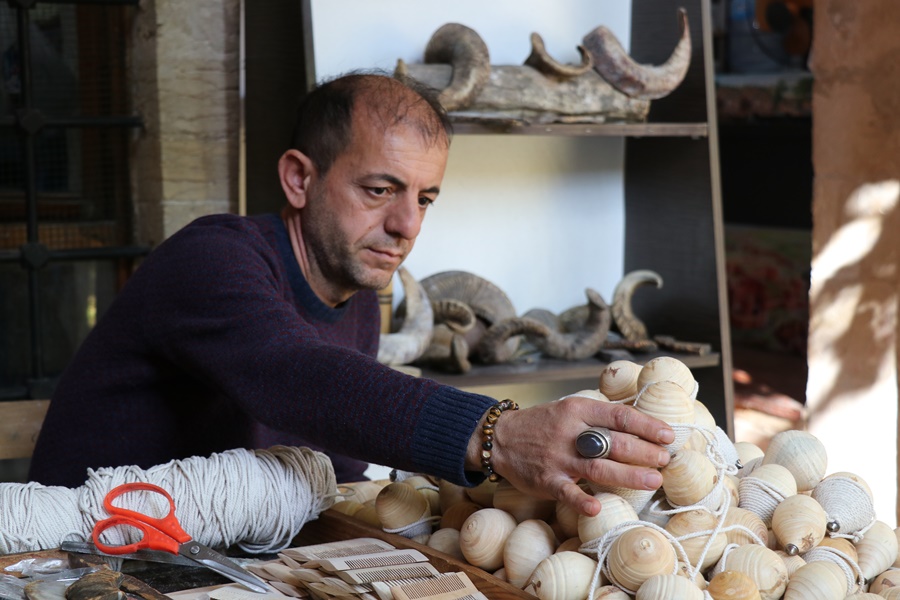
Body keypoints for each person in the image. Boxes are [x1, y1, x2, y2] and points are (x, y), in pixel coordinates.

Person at [28, 71, 674, 517]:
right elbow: (292, 373)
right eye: (379, 190)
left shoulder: (356, 292)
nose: (408, 226)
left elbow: (333, 467)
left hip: (219, 553)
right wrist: (496, 433)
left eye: (425, 198)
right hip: (85, 557)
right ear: (298, 179)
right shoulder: (211, 258)